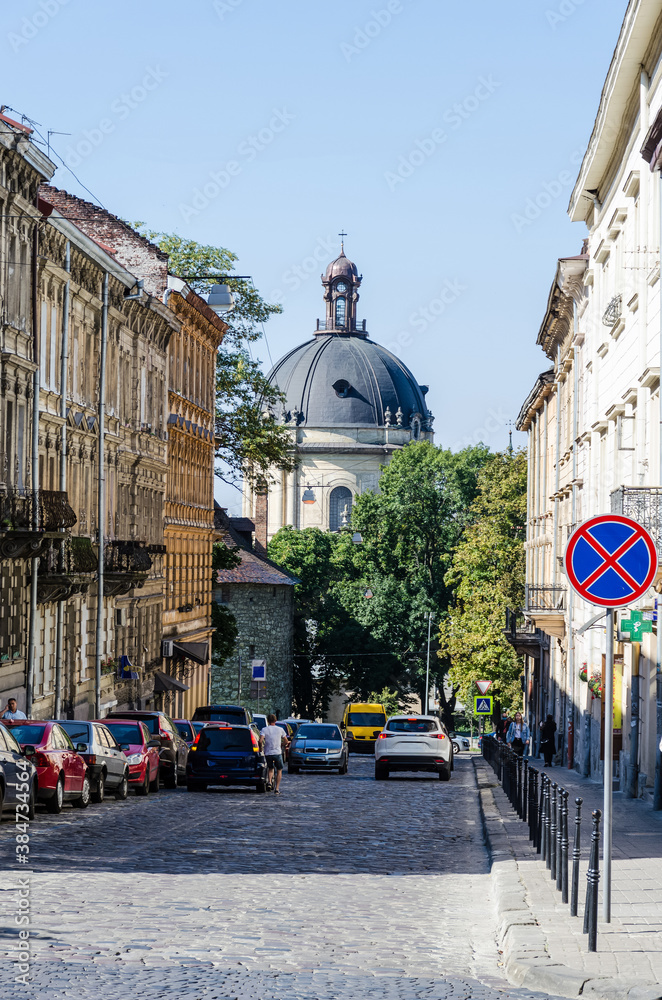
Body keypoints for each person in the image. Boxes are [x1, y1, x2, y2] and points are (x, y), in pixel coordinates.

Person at [260, 714, 289, 794]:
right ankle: (277, 788)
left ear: (268, 721)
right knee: (279, 770)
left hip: (268, 752)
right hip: (277, 752)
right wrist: (282, 745)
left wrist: (260, 748)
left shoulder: (264, 729)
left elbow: (260, 740)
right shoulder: (280, 729)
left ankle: (269, 782)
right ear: (275, 721)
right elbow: (286, 741)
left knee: (270, 768)